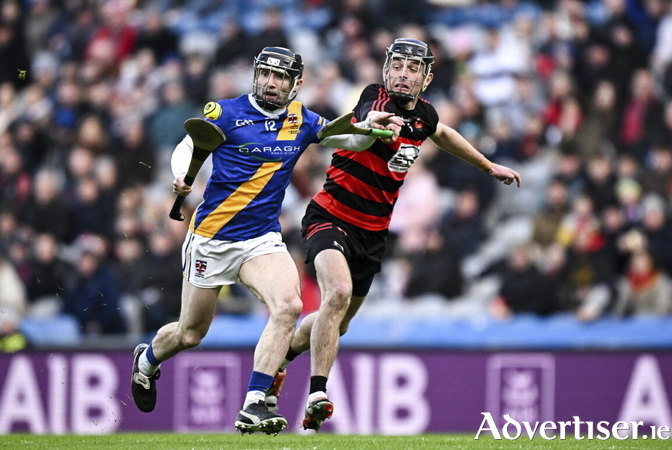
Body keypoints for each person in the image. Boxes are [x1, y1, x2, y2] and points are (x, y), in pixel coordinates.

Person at [129, 46, 402, 435]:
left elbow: (346, 141)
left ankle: (255, 400)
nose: (271, 83)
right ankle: (147, 359)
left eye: (281, 78)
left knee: (289, 306)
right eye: (266, 75)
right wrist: (180, 176)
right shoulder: (224, 112)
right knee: (190, 334)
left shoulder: (302, 119)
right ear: (256, 75)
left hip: (261, 239)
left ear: (296, 84)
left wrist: (366, 126)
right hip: (212, 239)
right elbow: (188, 147)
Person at [265, 38, 522, 432]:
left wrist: (488, 166)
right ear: (387, 70)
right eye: (397, 66)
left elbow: (443, 133)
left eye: (412, 68)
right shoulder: (374, 97)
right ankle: (318, 392)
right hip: (330, 216)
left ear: (427, 77)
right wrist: (376, 125)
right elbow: (368, 114)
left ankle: (280, 359)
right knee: (336, 294)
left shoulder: (425, 117)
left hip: (373, 234)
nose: (402, 74)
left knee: (337, 321)